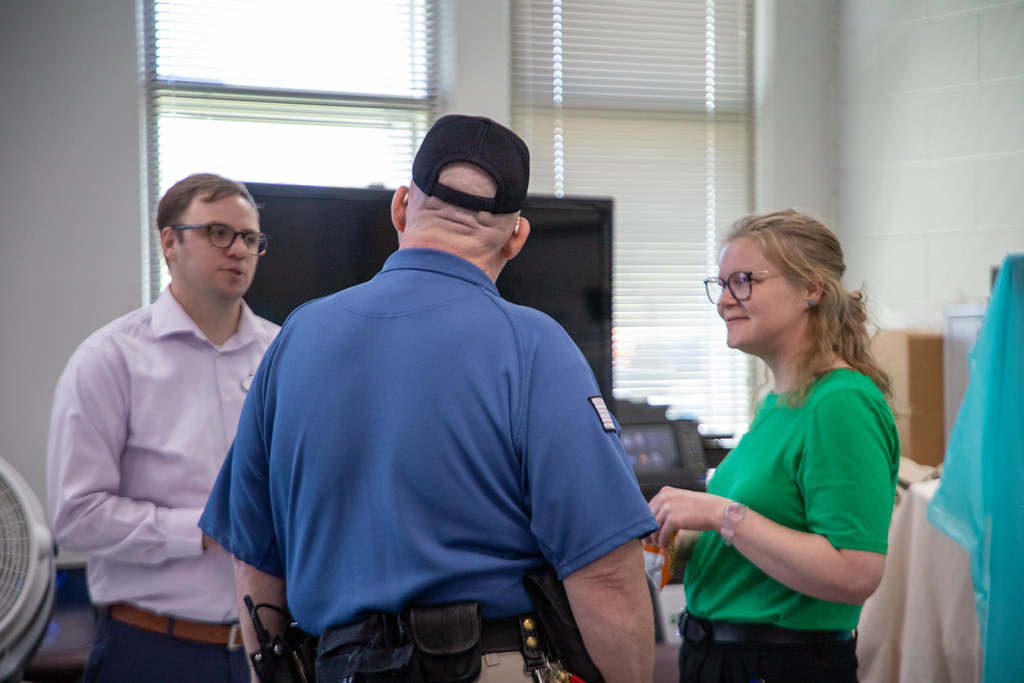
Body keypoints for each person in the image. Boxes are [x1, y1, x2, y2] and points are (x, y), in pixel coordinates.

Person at [199, 114, 658, 683]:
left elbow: (255, 563)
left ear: (400, 208)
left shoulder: (294, 339)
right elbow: (606, 574)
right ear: (517, 238)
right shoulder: (535, 346)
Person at [646, 210, 899, 683]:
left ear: (811, 289)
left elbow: (854, 574)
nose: (725, 300)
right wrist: (683, 534)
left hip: (779, 664)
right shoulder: (779, 403)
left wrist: (719, 514)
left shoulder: (840, 402)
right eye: (721, 284)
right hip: (719, 655)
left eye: (743, 281)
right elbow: (768, 529)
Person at [47, 173, 280, 682]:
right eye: (218, 232)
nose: (238, 250)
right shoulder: (109, 359)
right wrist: (205, 530)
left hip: (268, 649)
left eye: (249, 238)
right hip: (152, 649)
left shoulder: (283, 354)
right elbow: (76, 515)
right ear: (170, 242)